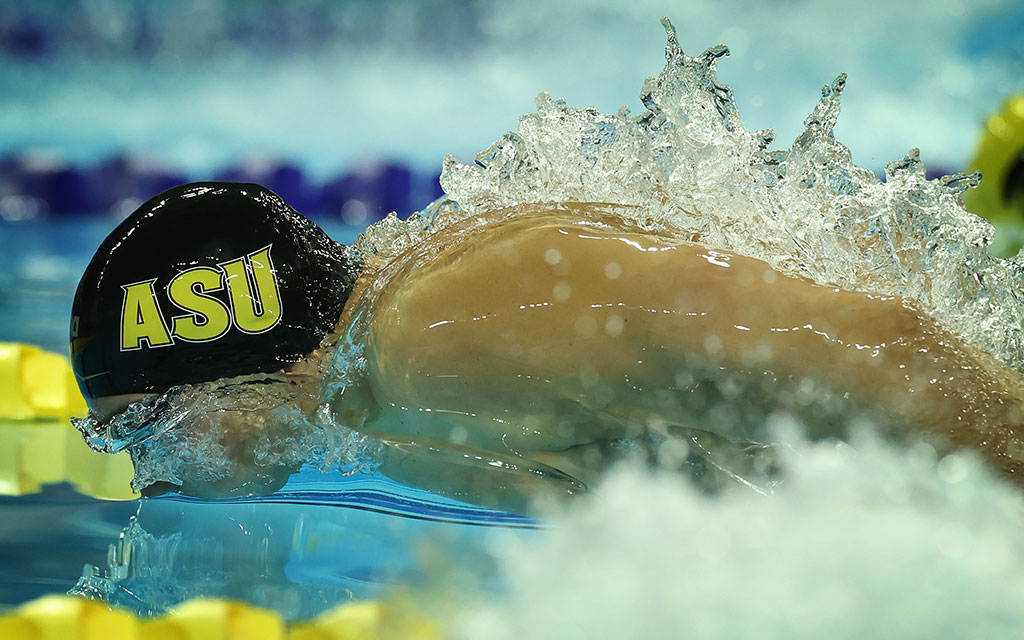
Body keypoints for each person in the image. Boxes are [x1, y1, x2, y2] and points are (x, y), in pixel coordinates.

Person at [71, 182, 1024, 508]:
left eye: (143, 429)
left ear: (234, 370)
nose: (148, 474)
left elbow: (865, 343)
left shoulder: (427, 337)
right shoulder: (372, 405)